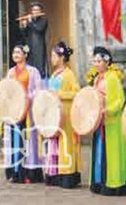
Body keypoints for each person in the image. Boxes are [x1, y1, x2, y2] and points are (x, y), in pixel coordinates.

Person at [88, 46, 126, 196]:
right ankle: (100, 181)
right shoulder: (97, 79)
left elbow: (120, 100)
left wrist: (108, 110)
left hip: (111, 121)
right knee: (100, 150)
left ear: (107, 62)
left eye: (99, 60)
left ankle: (114, 183)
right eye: (95, 61)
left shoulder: (112, 78)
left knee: (112, 153)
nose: (96, 63)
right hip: (100, 120)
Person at [3, 44, 44, 183]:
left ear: (25, 55)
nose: (15, 54)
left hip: (27, 110)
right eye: (14, 52)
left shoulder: (33, 72)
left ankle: (28, 173)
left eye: (18, 52)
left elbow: (38, 90)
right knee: (14, 140)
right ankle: (14, 171)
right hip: (14, 111)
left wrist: (26, 96)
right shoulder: (10, 72)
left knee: (28, 140)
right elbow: (6, 90)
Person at [43, 41, 81, 189]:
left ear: (61, 57)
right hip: (53, 115)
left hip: (65, 113)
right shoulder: (53, 74)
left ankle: (67, 174)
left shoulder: (69, 74)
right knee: (54, 145)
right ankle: (54, 174)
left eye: (53, 55)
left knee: (65, 144)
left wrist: (60, 94)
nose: (51, 58)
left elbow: (77, 92)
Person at [19, 2, 49, 76]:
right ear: (31, 11)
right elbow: (24, 35)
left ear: (40, 11)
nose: (35, 12)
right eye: (34, 10)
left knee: (39, 67)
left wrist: (30, 22)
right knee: (29, 66)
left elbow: (39, 29)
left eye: (37, 10)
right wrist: (24, 26)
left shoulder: (43, 21)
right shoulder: (30, 21)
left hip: (39, 48)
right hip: (29, 47)